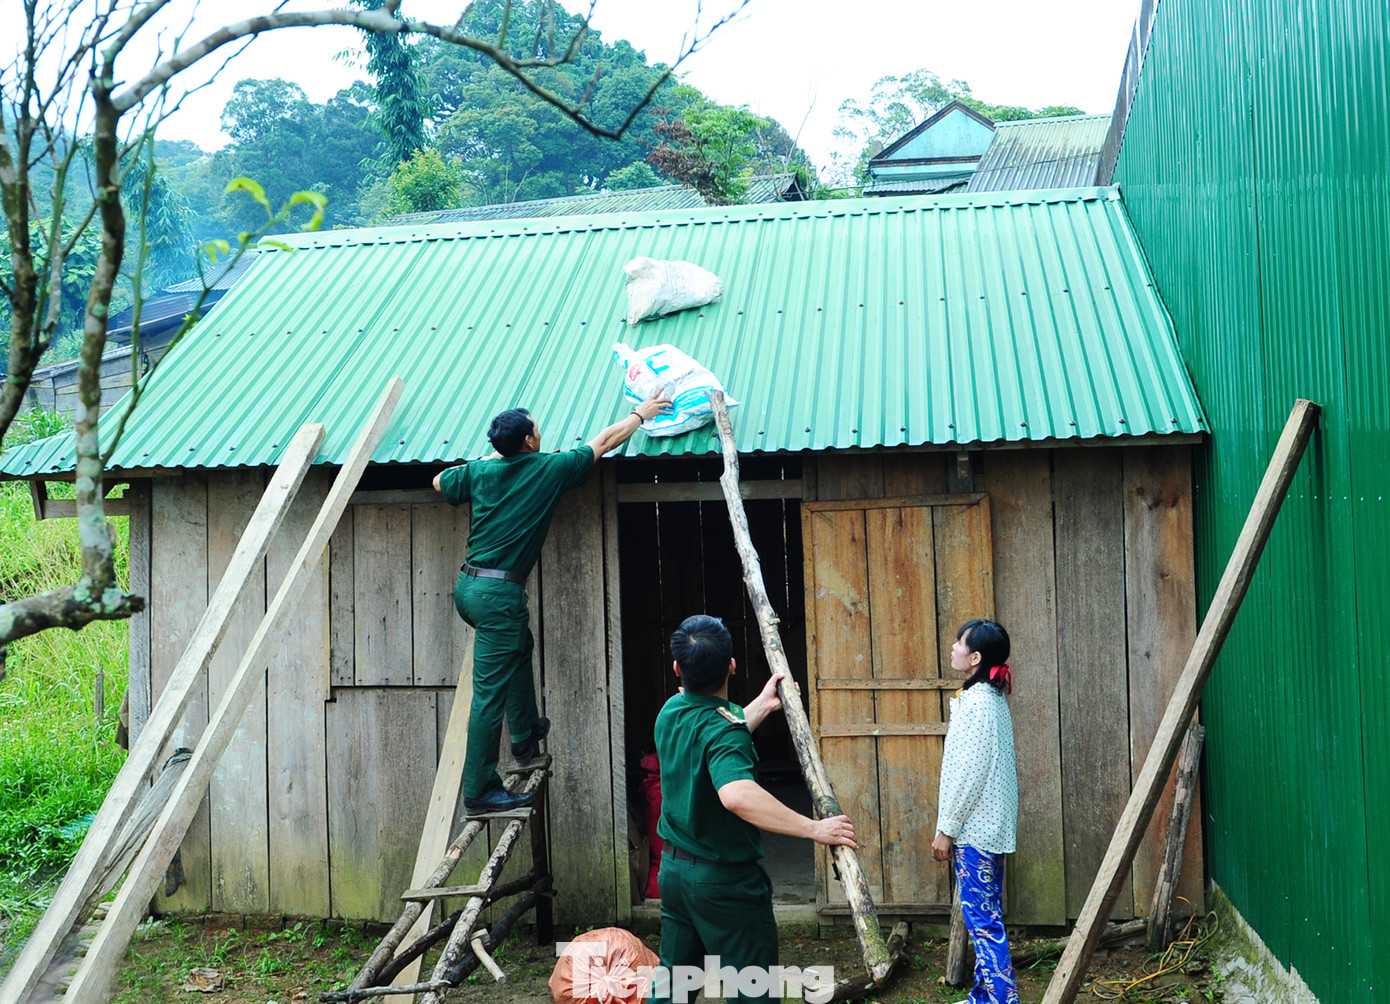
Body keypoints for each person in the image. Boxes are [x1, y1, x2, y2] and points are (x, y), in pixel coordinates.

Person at [434, 390, 671, 813]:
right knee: (489, 696)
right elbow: (604, 441)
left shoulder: (479, 473)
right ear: (528, 441)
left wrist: (486, 462)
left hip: (470, 588)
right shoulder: (547, 469)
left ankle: (525, 733)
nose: (540, 432)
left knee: (519, 648)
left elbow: (439, 482)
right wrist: (641, 413)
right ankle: (479, 792)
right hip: (498, 596)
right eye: (536, 427)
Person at [653, 614, 856, 1004]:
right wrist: (814, 829)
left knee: (673, 988)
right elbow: (736, 795)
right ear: (732, 665)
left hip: (676, 875)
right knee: (753, 993)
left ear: (677, 668)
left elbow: (714, 733)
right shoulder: (724, 731)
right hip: (724, 884)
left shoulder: (671, 712)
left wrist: (761, 706)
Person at [931, 619, 1020, 1004]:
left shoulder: (980, 703)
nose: (953, 647)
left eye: (959, 643)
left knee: (983, 923)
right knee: (983, 916)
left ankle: (1002, 999)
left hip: (976, 831)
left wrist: (946, 829)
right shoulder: (986, 697)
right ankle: (985, 996)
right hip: (987, 827)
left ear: (976, 658)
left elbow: (969, 774)